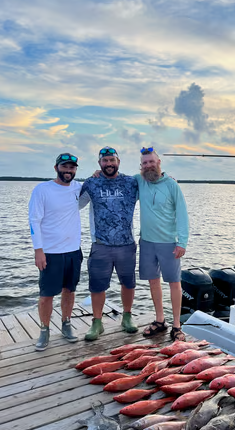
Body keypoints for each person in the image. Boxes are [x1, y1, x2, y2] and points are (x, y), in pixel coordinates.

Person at [79, 147, 139, 341]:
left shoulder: (131, 182)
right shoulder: (92, 183)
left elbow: (152, 184)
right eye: (105, 161)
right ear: (99, 164)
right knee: (97, 286)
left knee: (128, 283)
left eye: (112, 160)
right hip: (100, 244)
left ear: (118, 162)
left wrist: (167, 178)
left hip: (126, 243)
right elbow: (73, 204)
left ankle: (127, 317)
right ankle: (97, 322)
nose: (109, 164)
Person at [28, 153, 82, 351]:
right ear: (56, 167)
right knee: (47, 294)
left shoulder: (78, 187)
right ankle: (44, 329)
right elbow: (34, 220)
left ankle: (66, 323)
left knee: (70, 290)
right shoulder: (42, 189)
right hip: (50, 252)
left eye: (72, 167)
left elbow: (99, 183)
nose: (68, 170)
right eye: (65, 167)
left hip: (74, 251)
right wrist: (38, 250)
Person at [137, 147, 189, 342]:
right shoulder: (139, 181)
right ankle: (160, 320)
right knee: (153, 280)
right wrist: (98, 173)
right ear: (141, 166)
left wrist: (182, 242)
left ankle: (177, 325)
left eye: (151, 162)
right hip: (147, 242)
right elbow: (118, 179)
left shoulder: (172, 185)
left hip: (169, 242)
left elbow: (182, 216)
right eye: (144, 163)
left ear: (159, 163)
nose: (148, 165)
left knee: (174, 282)